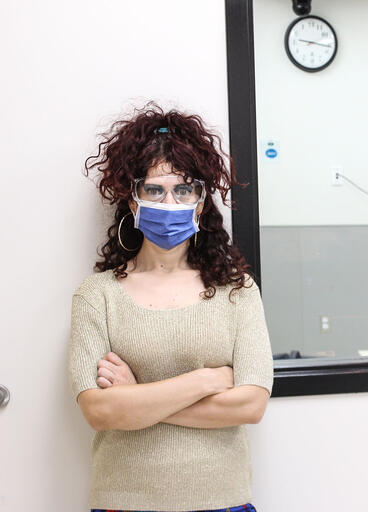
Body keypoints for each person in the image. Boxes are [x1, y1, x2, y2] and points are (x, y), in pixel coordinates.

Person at [67, 102, 273, 512]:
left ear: (200, 203)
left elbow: (250, 405)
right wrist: (207, 380)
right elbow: (99, 410)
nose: (170, 202)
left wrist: (137, 399)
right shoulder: (97, 295)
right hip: (122, 502)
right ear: (132, 200)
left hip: (224, 501)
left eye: (183, 190)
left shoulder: (237, 291)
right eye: (154, 190)